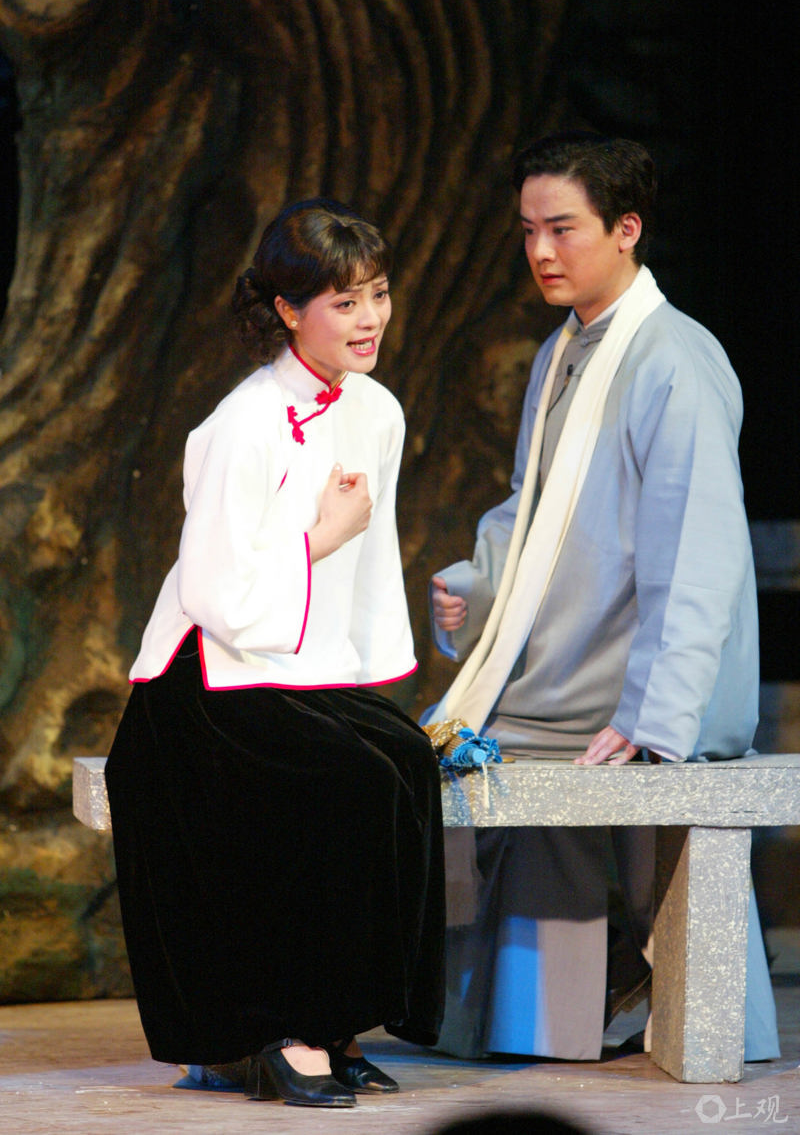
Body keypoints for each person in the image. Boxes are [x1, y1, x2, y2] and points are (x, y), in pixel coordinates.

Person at [427, 133, 779, 1063]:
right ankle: (544, 1012)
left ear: (626, 229)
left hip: (641, 672)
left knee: (487, 745)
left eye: (563, 229)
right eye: (527, 231)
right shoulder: (563, 351)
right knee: (449, 741)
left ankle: (603, 992)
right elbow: (531, 506)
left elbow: (697, 550)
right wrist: (479, 586)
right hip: (575, 655)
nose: (541, 251)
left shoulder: (674, 359)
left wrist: (658, 710)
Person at [105, 198, 446, 1108]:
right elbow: (215, 591)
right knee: (342, 780)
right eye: (345, 302)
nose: (370, 318)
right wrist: (320, 538)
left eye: (378, 294)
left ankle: (345, 1016)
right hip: (205, 674)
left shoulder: (377, 410)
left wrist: (358, 678)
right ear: (290, 310)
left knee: (405, 760)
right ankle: (288, 1027)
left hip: (294, 666)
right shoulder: (243, 423)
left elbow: (371, 562)